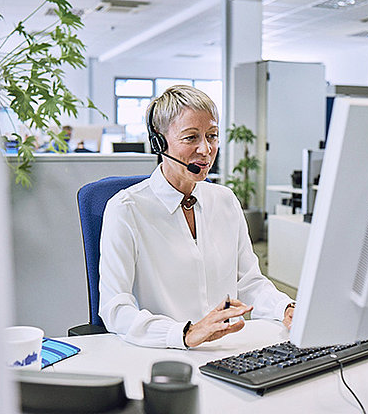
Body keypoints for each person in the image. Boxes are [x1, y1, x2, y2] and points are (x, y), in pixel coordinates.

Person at [98, 85, 295, 349]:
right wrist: (185, 333)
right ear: (159, 142)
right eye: (191, 138)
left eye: (212, 136)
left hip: (228, 349)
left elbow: (249, 282)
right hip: (164, 353)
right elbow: (115, 308)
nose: (205, 149)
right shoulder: (126, 209)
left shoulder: (224, 200)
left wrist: (285, 308)